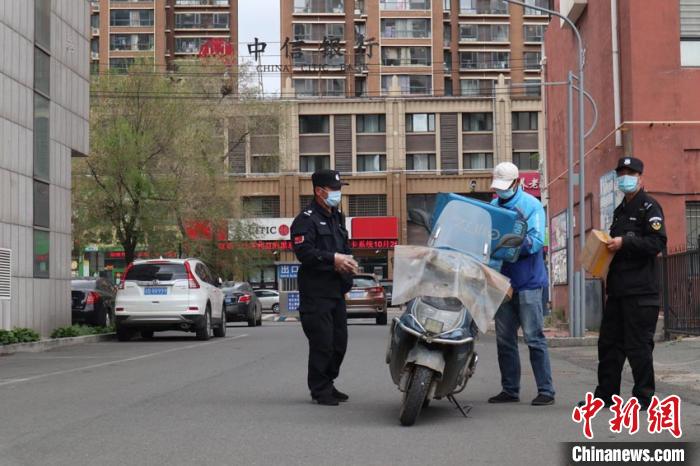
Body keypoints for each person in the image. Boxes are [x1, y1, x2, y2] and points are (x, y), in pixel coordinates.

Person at [589, 157, 666, 409]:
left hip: (641, 292)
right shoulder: (620, 210)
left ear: (640, 177)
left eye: (630, 172)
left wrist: (625, 243)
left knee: (638, 346)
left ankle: (644, 398)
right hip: (619, 290)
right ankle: (606, 396)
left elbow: (657, 243)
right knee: (609, 344)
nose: (625, 176)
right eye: (621, 172)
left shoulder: (649, 207)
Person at [487, 162, 555, 406]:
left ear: (517, 183)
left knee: (533, 338)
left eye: (505, 186)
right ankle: (510, 389)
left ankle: (546, 391)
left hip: (528, 283)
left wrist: (510, 243)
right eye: (498, 187)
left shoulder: (532, 205)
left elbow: (536, 241)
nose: (501, 191)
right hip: (503, 283)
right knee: (504, 339)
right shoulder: (493, 207)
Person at [291, 169, 358, 406]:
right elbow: (305, 253)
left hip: (335, 292)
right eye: (335, 189)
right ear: (320, 191)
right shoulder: (305, 220)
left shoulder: (337, 217)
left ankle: (329, 382)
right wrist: (333, 260)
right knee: (323, 343)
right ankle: (320, 389)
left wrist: (348, 268)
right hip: (315, 293)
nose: (338, 194)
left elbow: (344, 248)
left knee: (339, 343)